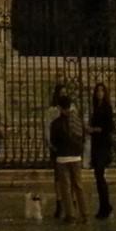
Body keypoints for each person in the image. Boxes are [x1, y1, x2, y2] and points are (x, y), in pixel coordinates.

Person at [49, 94, 87, 223]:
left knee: (65, 187)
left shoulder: (55, 123)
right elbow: (82, 137)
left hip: (62, 157)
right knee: (78, 186)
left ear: (59, 107)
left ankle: (70, 215)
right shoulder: (77, 120)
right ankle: (84, 213)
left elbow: (53, 141)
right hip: (76, 157)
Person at [87, 83, 115, 219]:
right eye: (97, 91)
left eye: (102, 91)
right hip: (96, 144)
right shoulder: (95, 108)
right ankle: (104, 206)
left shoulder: (107, 108)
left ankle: (106, 206)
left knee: (100, 174)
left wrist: (95, 129)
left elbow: (110, 126)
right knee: (98, 176)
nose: (99, 93)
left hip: (104, 144)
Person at [44, 83, 71, 218]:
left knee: (69, 175)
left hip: (69, 146)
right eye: (61, 93)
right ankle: (59, 202)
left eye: (65, 93)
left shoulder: (72, 108)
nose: (63, 95)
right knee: (58, 177)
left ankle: (70, 201)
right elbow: (47, 126)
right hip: (56, 145)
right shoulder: (51, 110)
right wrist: (50, 143)